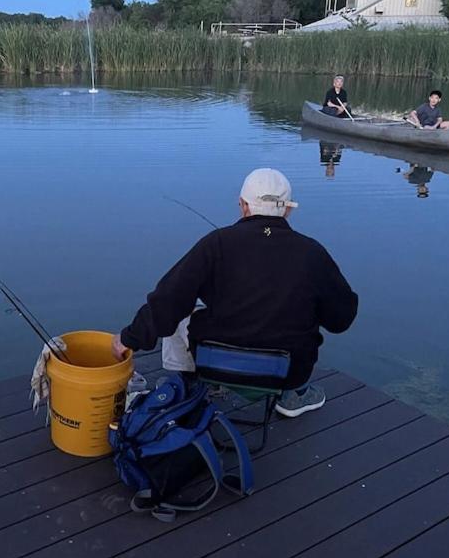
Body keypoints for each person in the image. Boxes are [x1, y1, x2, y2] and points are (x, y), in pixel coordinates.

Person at [111, 169, 358, 417]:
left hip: (215, 363)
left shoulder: (216, 243)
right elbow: (341, 320)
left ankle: (189, 383)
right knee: (304, 318)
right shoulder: (312, 253)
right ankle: (295, 395)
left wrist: (129, 338)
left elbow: (168, 300)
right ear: (288, 210)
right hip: (286, 371)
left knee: (179, 310)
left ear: (243, 206)